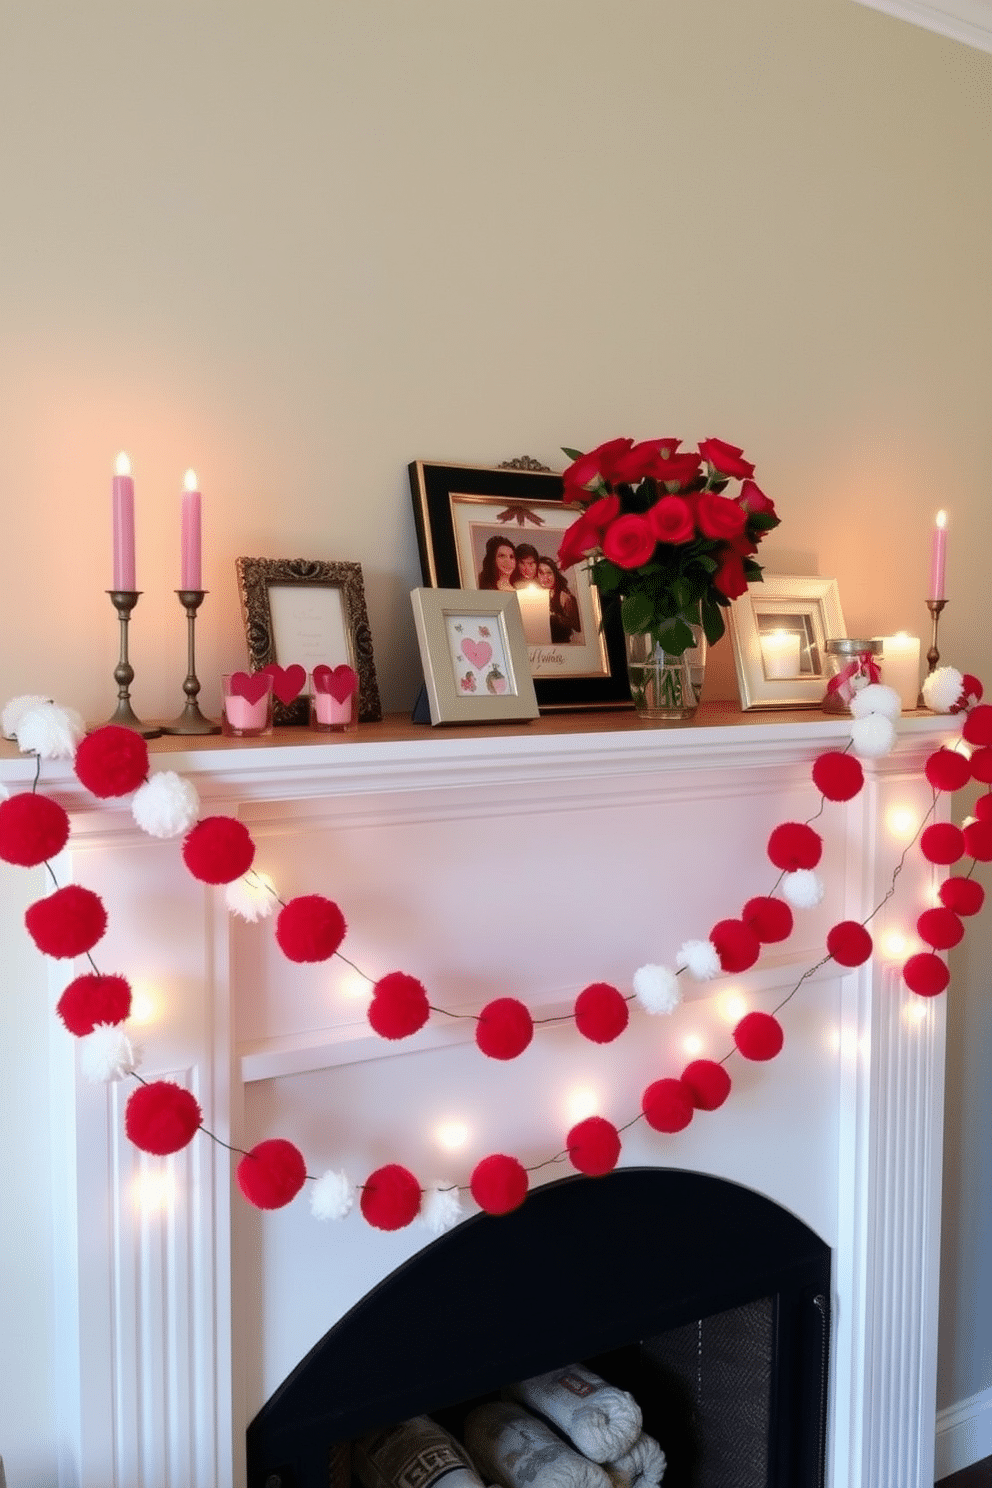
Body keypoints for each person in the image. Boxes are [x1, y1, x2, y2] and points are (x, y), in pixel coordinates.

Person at [537, 556, 581, 643]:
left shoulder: (564, 597)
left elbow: (577, 627)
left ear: (555, 575)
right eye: (541, 573)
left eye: (549, 573)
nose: (545, 577)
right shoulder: (531, 597)